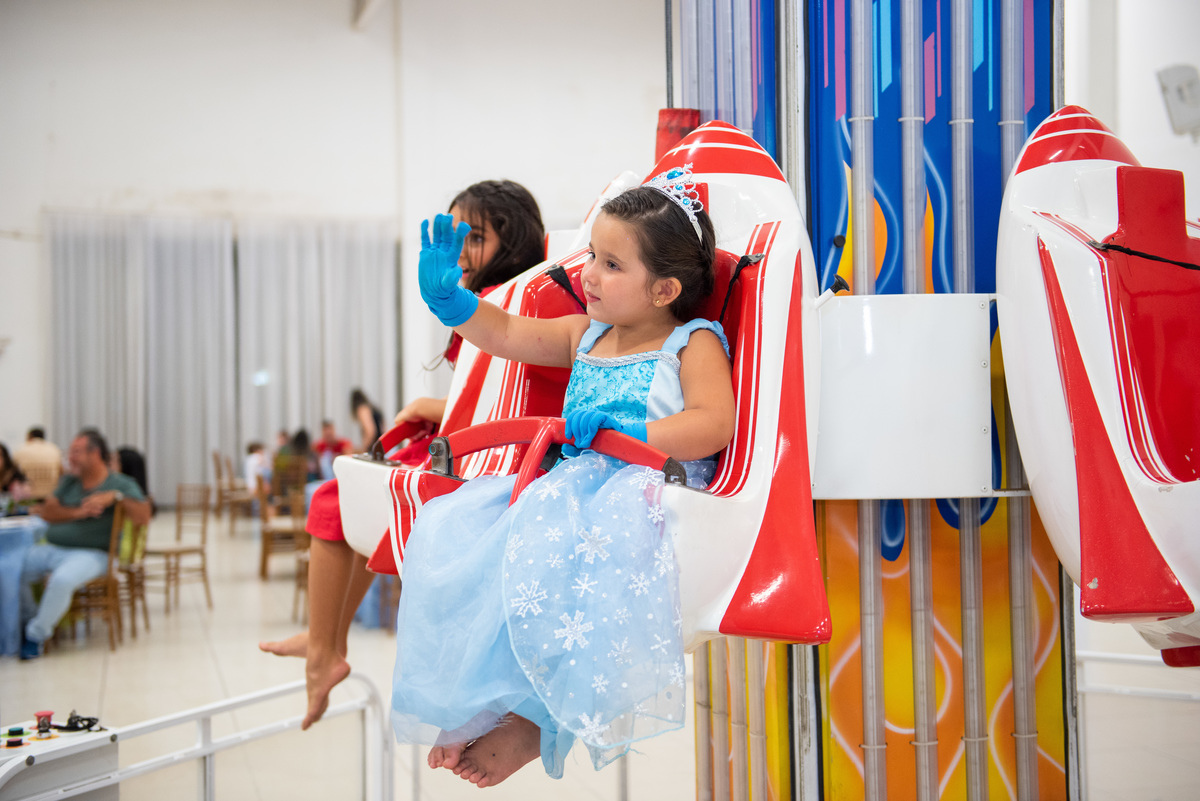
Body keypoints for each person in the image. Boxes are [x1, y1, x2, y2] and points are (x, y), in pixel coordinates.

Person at [394, 166, 735, 787]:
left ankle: (536, 721)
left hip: (644, 491)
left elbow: (714, 424)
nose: (588, 274)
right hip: (573, 485)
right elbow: (505, 332)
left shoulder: (692, 343)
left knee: (567, 558)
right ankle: (478, 699)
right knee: (462, 534)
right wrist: (453, 302)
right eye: (592, 256)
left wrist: (632, 433)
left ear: (664, 290)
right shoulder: (586, 332)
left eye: (611, 264)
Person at [259, 179, 547, 730]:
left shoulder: (503, 302)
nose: (458, 251)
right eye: (454, 236)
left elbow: (501, 400)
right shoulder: (501, 300)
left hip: (484, 454)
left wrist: (427, 406)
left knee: (334, 499)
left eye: (474, 237)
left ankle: (324, 648)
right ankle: (326, 640)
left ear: (513, 243)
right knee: (356, 508)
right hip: (472, 442)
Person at [18, 429, 151, 659]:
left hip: (93, 554)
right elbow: (48, 512)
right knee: (13, 568)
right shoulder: (69, 482)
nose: (70, 458)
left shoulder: (120, 483)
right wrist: (79, 512)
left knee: (62, 580)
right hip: (53, 548)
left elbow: (143, 516)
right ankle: (27, 619)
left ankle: (35, 635)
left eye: (76, 452)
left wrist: (116, 497)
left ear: (95, 454)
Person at [13, 427, 62, 500]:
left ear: (29, 437)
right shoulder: (54, 449)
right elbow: (61, 472)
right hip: (50, 496)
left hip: (27, 498)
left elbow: (13, 472)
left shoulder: (20, 450)